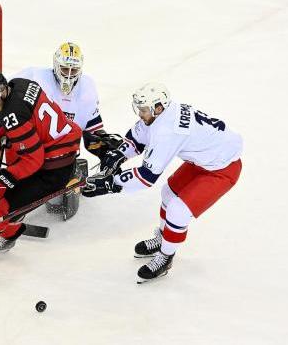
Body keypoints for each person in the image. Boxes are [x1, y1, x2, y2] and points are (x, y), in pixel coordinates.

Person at [82, 82, 243, 283]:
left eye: (144, 110)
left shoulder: (169, 131)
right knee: (168, 193)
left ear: (158, 108)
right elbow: (137, 138)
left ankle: (166, 257)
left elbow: (146, 177)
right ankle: (162, 238)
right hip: (206, 159)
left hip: (223, 169)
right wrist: (118, 154)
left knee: (177, 210)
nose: (140, 114)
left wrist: (109, 184)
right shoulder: (164, 113)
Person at [0, 42, 121, 226]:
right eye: (64, 68)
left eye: (73, 70)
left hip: (57, 153)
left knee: (53, 201)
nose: (68, 75)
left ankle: (5, 208)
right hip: (29, 144)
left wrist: (105, 149)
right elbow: (3, 103)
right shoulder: (34, 75)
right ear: (55, 64)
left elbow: (92, 130)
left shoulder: (86, 90)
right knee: (19, 175)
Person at [0, 67, 82, 276]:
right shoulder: (20, 84)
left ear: (1, 89)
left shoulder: (13, 115)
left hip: (53, 168)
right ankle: (11, 233)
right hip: (59, 151)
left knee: (0, 204)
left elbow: (33, 160)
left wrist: (4, 179)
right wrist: (2, 136)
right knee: (14, 193)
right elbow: (27, 123)